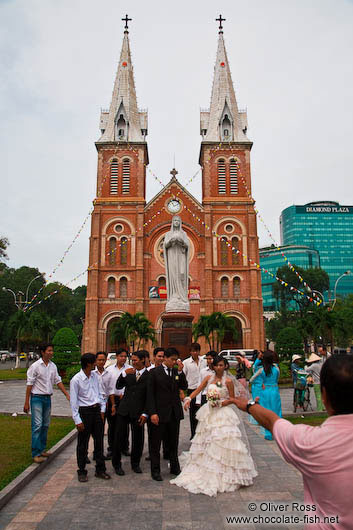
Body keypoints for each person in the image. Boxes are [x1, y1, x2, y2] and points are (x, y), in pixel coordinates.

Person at [232, 354, 353, 530]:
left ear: (324, 395)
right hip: (273, 392)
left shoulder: (309, 442)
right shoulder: (276, 370)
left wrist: (249, 405)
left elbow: (273, 422)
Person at [171, 355, 257, 496]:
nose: (219, 367)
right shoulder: (208, 378)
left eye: (221, 365)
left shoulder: (228, 381)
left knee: (223, 440)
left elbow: (232, 398)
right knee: (207, 439)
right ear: (213, 366)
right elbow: (198, 390)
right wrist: (188, 398)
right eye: (216, 365)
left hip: (223, 413)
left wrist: (221, 403)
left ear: (226, 366)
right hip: (209, 411)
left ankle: (226, 471)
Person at [24, 343, 70, 464]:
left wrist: (66, 394)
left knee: (45, 425)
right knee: (37, 425)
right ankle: (35, 453)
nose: (51, 352)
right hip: (37, 398)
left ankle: (42, 449)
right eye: (49, 350)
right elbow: (29, 384)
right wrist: (26, 402)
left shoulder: (52, 366)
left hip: (47, 398)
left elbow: (58, 380)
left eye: (52, 351)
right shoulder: (35, 366)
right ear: (43, 352)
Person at [147, 347, 188, 481]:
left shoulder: (176, 372)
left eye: (176, 360)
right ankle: (155, 470)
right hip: (159, 413)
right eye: (172, 359)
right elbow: (150, 395)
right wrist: (152, 412)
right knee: (155, 443)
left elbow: (184, 386)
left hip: (173, 413)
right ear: (165, 358)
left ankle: (174, 467)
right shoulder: (154, 373)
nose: (174, 362)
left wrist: (181, 372)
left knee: (173, 442)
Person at [70, 353, 110, 482]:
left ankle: (100, 469)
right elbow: (74, 402)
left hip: (96, 411)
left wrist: (102, 410)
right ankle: (81, 471)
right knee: (83, 443)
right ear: (88, 364)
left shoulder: (94, 376)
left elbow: (100, 394)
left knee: (99, 442)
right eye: (94, 361)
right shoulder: (76, 380)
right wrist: (77, 419)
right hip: (84, 412)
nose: (97, 363)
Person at [112, 350, 149, 476]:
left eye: (135, 360)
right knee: (119, 437)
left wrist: (145, 413)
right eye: (132, 360)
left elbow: (150, 397)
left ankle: (135, 463)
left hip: (138, 412)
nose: (133, 362)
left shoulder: (149, 376)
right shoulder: (128, 373)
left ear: (143, 360)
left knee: (138, 439)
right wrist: (123, 374)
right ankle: (116, 464)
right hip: (124, 410)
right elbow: (118, 386)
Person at [249, 350, 282, 440]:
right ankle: (277, 432)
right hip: (274, 390)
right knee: (276, 411)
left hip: (265, 391)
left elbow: (251, 379)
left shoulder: (261, 370)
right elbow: (277, 378)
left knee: (266, 412)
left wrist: (261, 383)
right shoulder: (276, 369)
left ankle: (268, 433)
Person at [105, 348, 131, 458]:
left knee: (125, 425)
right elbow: (108, 386)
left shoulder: (130, 369)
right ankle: (112, 448)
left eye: (125, 356)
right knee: (112, 425)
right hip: (113, 400)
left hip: (125, 400)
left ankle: (124, 447)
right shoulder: (110, 370)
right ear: (116, 356)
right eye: (121, 356)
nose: (123, 358)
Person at [182, 343, 207, 439]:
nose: (194, 353)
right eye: (193, 351)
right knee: (193, 415)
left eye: (196, 351)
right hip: (192, 390)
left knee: (203, 414)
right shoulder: (186, 363)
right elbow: (183, 376)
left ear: (199, 351)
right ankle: (194, 435)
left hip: (203, 390)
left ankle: (203, 436)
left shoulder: (203, 362)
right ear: (190, 352)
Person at [93, 351, 113, 460]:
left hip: (107, 404)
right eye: (99, 360)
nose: (101, 362)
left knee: (109, 427)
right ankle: (96, 453)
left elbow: (110, 390)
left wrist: (113, 405)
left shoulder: (108, 374)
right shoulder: (91, 374)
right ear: (95, 361)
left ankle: (106, 451)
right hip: (96, 406)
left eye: (103, 360)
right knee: (97, 430)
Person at [249, 350, 263, 425]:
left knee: (260, 401)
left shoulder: (261, 364)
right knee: (256, 401)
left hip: (260, 384)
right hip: (256, 385)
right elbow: (254, 368)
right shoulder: (256, 365)